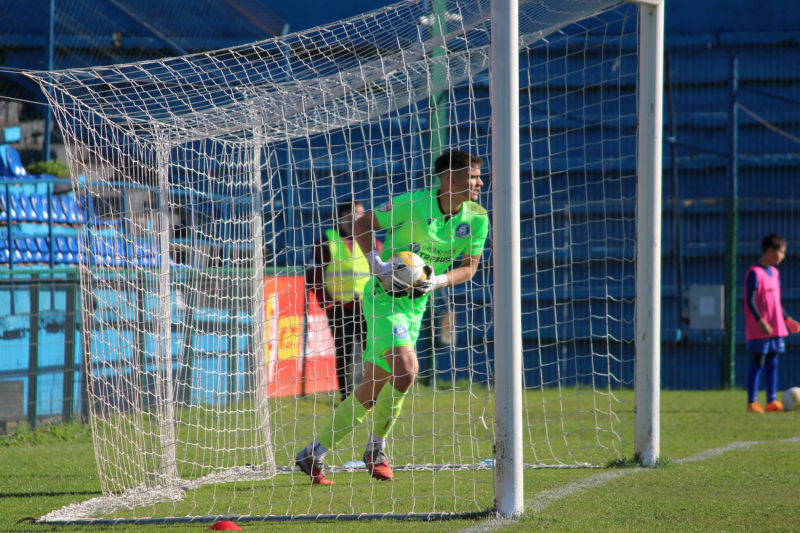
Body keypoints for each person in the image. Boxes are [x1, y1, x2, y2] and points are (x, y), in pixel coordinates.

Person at [296, 150, 488, 485]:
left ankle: (315, 452)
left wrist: (438, 280)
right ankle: (376, 449)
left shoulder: (478, 218)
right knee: (408, 369)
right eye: (473, 177)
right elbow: (362, 223)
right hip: (383, 298)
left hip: (417, 306)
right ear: (450, 178)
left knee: (371, 391)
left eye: (478, 177)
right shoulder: (413, 203)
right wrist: (378, 265)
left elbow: (469, 267)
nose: (479, 183)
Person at [308, 199, 381, 402]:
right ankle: (346, 398)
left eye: (360, 213)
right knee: (345, 354)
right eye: (351, 213)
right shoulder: (326, 240)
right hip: (340, 308)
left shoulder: (373, 240)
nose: (356, 217)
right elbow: (314, 277)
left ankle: (373, 394)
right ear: (340, 217)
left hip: (368, 308)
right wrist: (327, 303)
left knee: (373, 353)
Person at [744, 233, 800, 413]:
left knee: (773, 361)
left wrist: (787, 319)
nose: (783, 256)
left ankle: (771, 402)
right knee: (758, 361)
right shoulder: (754, 273)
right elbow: (750, 301)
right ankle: (752, 402)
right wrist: (760, 321)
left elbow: (775, 302)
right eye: (781, 252)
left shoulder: (774, 273)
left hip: (775, 326)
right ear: (770, 251)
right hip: (761, 327)